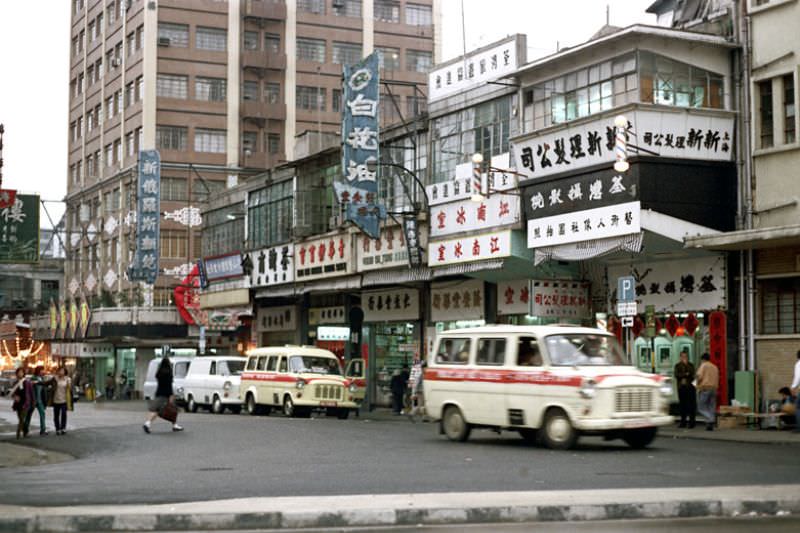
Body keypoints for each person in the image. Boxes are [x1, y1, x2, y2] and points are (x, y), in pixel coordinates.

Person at [143, 357, 183, 433]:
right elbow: (169, 385)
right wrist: (171, 395)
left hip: (158, 393)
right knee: (172, 410)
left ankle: (148, 423)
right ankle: (148, 423)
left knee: (157, 410)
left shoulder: (159, 373)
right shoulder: (169, 373)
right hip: (166, 394)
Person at [695, 353, 719, 431]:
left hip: (705, 388)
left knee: (701, 407)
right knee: (711, 406)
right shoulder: (715, 367)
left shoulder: (704, 365)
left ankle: (710, 419)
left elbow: (699, 376)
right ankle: (709, 425)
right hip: (714, 388)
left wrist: (694, 384)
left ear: (703, 359)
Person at [673, 349, 696, 428]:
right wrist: (685, 374)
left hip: (690, 387)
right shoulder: (677, 365)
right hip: (681, 387)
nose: (684, 358)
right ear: (680, 357)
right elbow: (677, 375)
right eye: (682, 356)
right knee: (682, 405)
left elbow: (692, 374)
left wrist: (686, 370)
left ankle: (692, 422)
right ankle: (683, 422)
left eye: (685, 356)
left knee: (691, 405)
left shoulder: (691, 365)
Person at [25, 366, 49, 436]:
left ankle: (43, 430)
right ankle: (25, 430)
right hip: (33, 400)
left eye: (43, 370)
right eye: (42, 370)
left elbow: (43, 390)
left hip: (40, 400)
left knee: (42, 414)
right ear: (38, 370)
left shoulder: (41, 378)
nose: (43, 371)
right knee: (29, 415)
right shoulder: (33, 378)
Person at [9, 368, 33, 439]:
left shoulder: (27, 382)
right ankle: (26, 431)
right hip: (18, 403)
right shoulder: (15, 383)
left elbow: (31, 393)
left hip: (26, 403)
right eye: (18, 372)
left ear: (23, 374)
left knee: (22, 419)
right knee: (21, 419)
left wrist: (33, 402)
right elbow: (12, 393)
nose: (20, 374)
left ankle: (18, 434)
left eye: (21, 372)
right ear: (16, 374)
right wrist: (14, 397)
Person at [52, 367, 73, 435]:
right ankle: (57, 428)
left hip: (64, 400)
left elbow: (70, 389)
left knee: (64, 414)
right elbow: (47, 383)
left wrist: (69, 385)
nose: (60, 372)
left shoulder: (68, 379)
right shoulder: (55, 379)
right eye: (59, 371)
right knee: (56, 415)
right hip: (56, 399)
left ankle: (63, 428)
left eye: (62, 371)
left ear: (65, 372)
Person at [791, 350, 800, 432]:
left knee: (798, 407)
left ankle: (799, 427)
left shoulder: (798, 364)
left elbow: (797, 377)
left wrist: (793, 387)